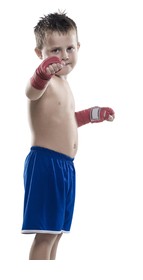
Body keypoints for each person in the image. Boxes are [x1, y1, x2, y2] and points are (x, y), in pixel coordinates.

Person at [22, 11, 115, 260]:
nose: (63, 56)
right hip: (46, 163)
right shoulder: (47, 81)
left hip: (65, 166)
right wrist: (41, 74)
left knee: (56, 233)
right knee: (45, 234)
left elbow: (67, 121)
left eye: (69, 49)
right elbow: (30, 92)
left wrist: (94, 114)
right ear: (39, 54)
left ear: (78, 47)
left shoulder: (64, 83)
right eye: (55, 50)